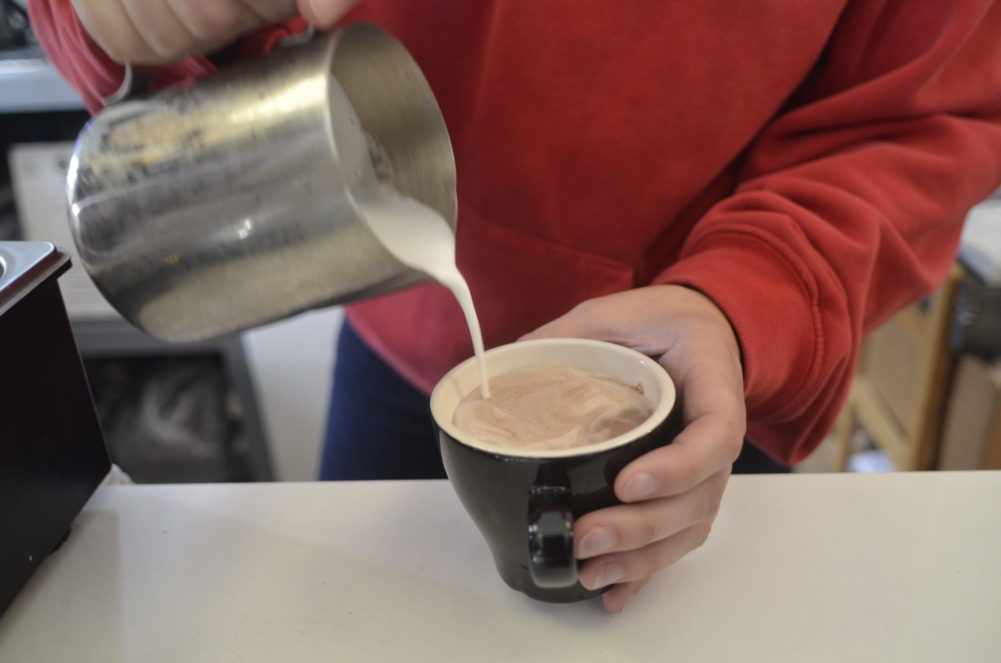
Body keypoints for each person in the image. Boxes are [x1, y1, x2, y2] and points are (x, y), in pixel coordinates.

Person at [30, 0, 1001, 613]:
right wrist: (104, 18)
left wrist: (751, 294)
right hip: (409, 343)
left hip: (708, 374)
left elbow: (920, 113)